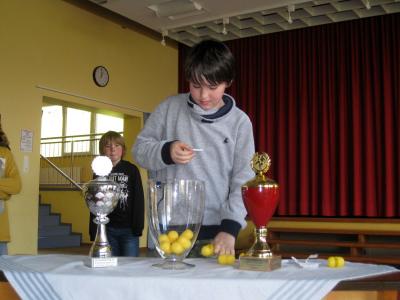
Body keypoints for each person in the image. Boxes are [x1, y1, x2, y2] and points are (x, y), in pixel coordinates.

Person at [132, 40, 255, 256]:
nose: (204, 95)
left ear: (228, 82)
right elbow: (139, 151)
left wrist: (230, 227)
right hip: (168, 229)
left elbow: (243, 179)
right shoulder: (169, 108)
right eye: (196, 86)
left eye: (212, 87)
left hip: (216, 230)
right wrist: (166, 151)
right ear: (188, 80)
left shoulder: (240, 123)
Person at [89, 131, 144, 257]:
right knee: (109, 266)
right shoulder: (99, 172)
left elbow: (138, 199)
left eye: (117, 146)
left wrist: (138, 227)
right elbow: (94, 202)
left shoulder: (131, 170)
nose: (112, 150)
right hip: (106, 229)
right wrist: (94, 230)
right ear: (102, 150)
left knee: (130, 267)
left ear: (123, 149)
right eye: (108, 146)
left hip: (129, 229)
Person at [0, 120, 22, 255]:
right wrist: (3, 192)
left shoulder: (4, 153)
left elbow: (16, 185)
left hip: (0, 233)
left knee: (3, 274)